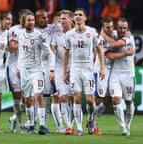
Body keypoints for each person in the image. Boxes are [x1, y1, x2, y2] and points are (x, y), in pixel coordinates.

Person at [63, 8, 105, 136]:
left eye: (80, 15)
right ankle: (79, 128)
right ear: (73, 18)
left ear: (85, 18)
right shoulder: (69, 34)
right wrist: (65, 71)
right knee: (76, 98)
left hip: (88, 70)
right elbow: (66, 53)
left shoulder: (91, 32)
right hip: (75, 69)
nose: (77, 17)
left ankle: (91, 121)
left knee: (90, 101)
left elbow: (99, 50)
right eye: (75, 15)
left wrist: (102, 67)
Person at [92, 16, 134, 135]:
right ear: (103, 27)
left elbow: (119, 40)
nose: (110, 30)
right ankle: (92, 122)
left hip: (112, 71)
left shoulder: (117, 34)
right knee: (98, 98)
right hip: (101, 69)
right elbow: (110, 55)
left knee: (108, 99)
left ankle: (93, 122)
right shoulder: (100, 38)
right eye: (107, 28)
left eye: (111, 27)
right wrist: (126, 53)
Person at [17, 10, 55, 135]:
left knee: (38, 95)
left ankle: (43, 126)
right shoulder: (20, 35)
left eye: (32, 20)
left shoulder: (39, 36)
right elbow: (20, 54)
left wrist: (51, 70)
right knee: (27, 99)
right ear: (24, 22)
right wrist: (18, 67)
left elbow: (50, 54)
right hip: (24, 70)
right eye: (28, 20)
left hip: (37, 70)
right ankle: (31, 124)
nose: (31, 22)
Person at [7, 9, 31, 133]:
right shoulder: (14, 30)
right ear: (19, 18)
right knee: (17, 97)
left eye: (27, 18)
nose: (25, 20)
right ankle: (20, 123)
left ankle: (16, 119)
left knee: (28, 97)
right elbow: (11, 47)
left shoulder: (33, 31)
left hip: (28, 66)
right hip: (13, 66)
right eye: (23, 17)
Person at [50, 9, 74, 134]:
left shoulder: (77, 33)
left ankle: (73, 124)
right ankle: (68, 126)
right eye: (61, 19)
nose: (62, 21)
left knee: (75, 99)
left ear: (71, 19)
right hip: (60, 68)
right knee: (63, 97)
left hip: (74, 68)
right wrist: (51, 69)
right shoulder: (57, 35)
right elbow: (52, 50)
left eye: (65, 18)